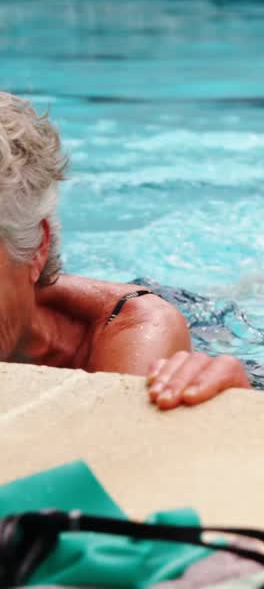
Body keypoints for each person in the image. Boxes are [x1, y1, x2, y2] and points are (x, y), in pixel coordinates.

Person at [0, 91, 247, 409]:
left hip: (199, 320)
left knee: (245, 293)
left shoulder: (137, 332)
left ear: (36, 246)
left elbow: (112, 452)